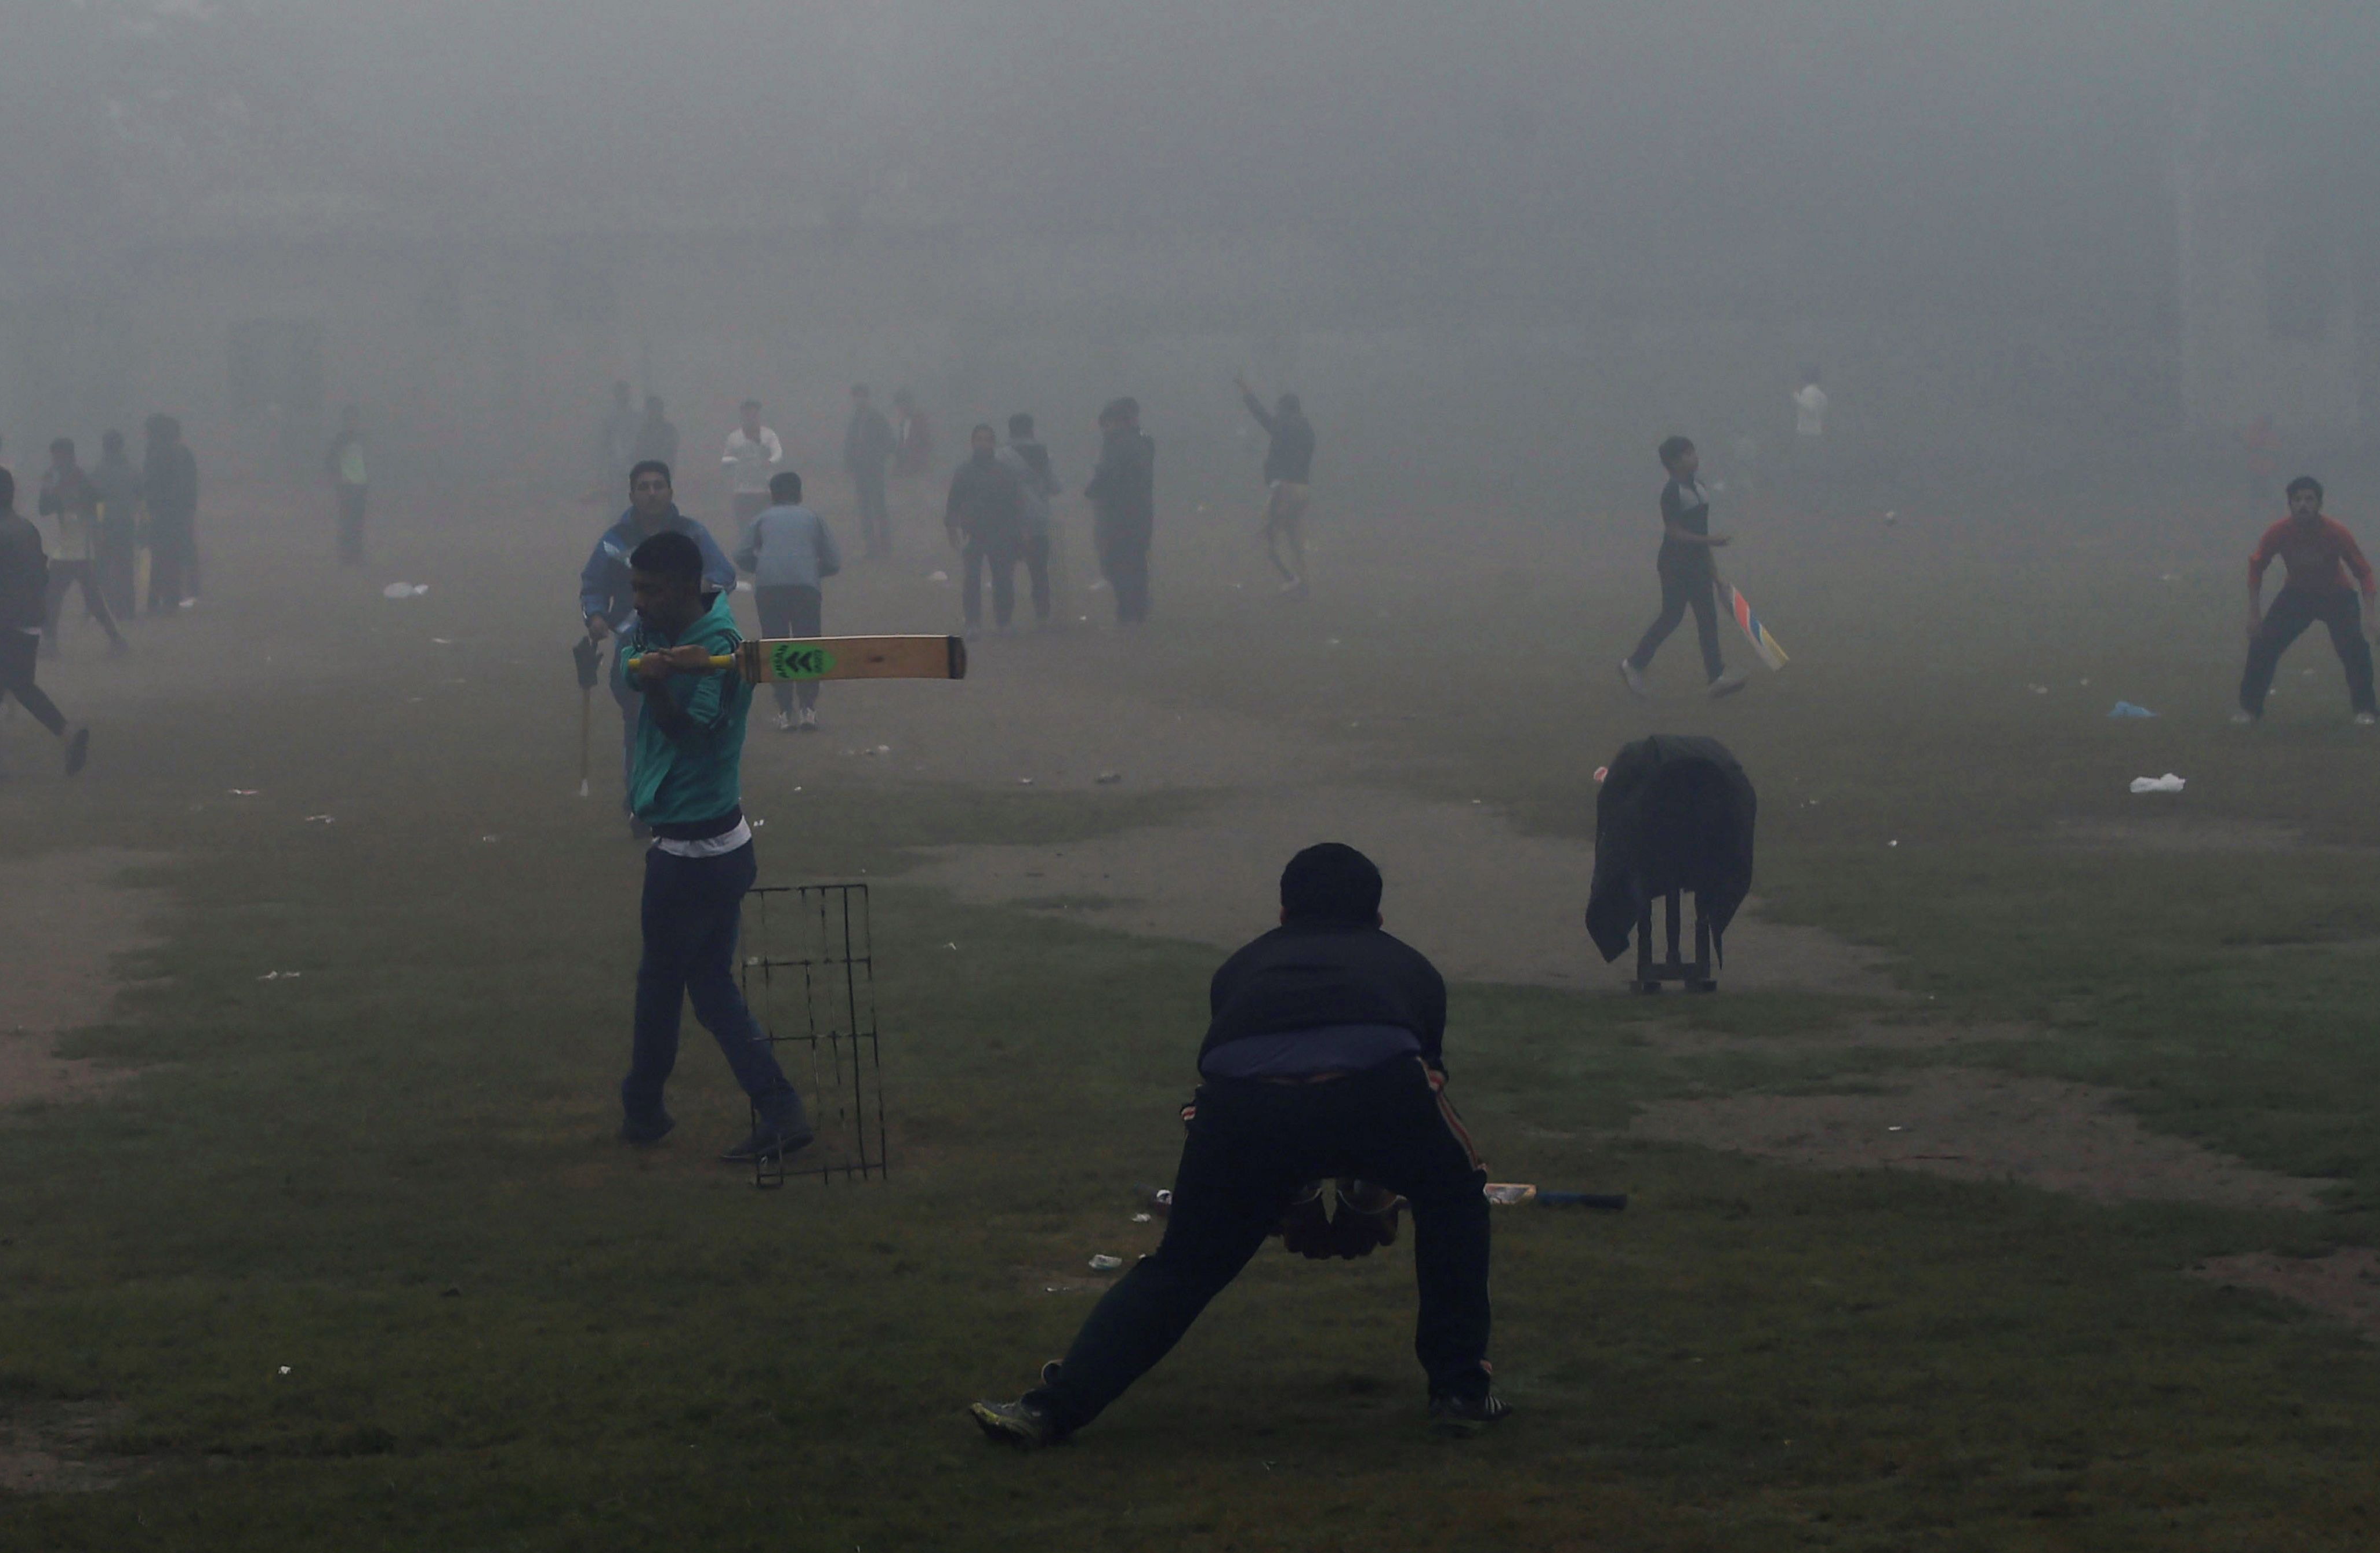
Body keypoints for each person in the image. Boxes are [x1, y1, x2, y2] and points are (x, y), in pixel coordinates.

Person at [968, 843, 1503, 1446]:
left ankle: (1050, 1409)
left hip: (1242, 1112)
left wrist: (1288, 1196)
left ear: (1282, 913)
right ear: (1377, 918)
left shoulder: (1241, 967)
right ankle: (1459, 1390)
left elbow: (1257, 1074)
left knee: (1183, 1266)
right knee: (1456, 1199)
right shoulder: (1411, 967)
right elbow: (1416, 1085)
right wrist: (1368, 1194)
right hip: (1376, 1095)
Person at [616, 528, 814, 1163]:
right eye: (634, 590)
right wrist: (646, 664)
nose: (639, 603)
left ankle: (643, 1110)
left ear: (680, 588)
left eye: (648, 591)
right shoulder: (666, 626)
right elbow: (634, 654)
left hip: (692, 854)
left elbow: (692, 735)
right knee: (708, 985)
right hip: (720, 845)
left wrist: (657, 685)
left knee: (660, 988)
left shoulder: (722, 648)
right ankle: (780, 1109)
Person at [581, 460, 738, 823]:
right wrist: (596, 616)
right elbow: (592, 584)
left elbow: (724, 575)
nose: (652, 493)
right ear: (632, 495)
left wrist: (696, 587)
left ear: (670, 491)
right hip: (632, 641)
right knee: (638, 723)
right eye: (644, 487)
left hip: (687, 641)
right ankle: (640, 799)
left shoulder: (693, 535)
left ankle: (685, 796)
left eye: (658, 486)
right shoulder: (614, 540)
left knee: (686, 721)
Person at [0, 465, 89, 778]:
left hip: (2, 621)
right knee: (22, 685)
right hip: (30, 619)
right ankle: (66, 732)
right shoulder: (26, 528)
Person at [2237, 476, 2379, 726]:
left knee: (2354, 650)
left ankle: (2366, 710)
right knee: (2262, 646)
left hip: (2336, 596)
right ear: (2290, 504)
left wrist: (2370, 615)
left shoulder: (2336, 532)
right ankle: (2249, 710)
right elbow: (2257, 566)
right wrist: (2254, 613)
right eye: (2298, 500)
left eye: (2309, 499)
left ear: (2319, 504)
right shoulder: (2278, 532)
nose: (2303, 505)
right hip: (2297, 596)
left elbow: (2363, 571)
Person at [1620, 436, 1744, 699]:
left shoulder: (1700, 488)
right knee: (1672, 616)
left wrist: (1715, 574)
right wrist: (1711, 541)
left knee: (1707, 617)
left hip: (1696, 563)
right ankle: (1633, 665)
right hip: (1674, 564)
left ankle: (1716, 677)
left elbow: (1700, 533)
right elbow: (1675, 533)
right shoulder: (1672, 492)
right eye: (1689, 454)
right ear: (1675, 462)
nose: (1695, 458)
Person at [735, 469, 841, 732]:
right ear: (800, 494)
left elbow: (741, 553)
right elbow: (833, 561)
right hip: (806, 587)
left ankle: (784, 711)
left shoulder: (762, 518)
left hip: (770, 587)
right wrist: (815, 571)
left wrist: (761, 567)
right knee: (807, 643)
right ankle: (808, 708)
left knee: (776, 644)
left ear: (772, 496)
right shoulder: (813, 518)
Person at [38, 437, 126, 656]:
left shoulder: (82, 478)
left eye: (60, 456)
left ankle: (116, 641)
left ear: (70, 457)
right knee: (53, 598)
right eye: (55, 456)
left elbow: (97, 498)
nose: (57, 461)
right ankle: (51, 644)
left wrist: (71, 495)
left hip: (82, 551)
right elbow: (44, 509)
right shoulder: (54, 478)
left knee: (91, 601)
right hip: (65, 549)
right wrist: (48, 491)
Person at [1236, 378, 1315, 596]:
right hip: (1303, 489)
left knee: (1266, 536)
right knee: (1295, 539)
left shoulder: (1284, 424)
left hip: (1285, 489)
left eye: (1279, 409)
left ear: (1285, 409)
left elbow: (1262, 418)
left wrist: (1247, 393)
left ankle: (1291, 579)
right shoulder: (1307, 429)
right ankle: (1303, 584)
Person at [946, 424, 1028, 637]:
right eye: (979, 439)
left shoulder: (1004, 471)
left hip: (1001, 532)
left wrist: (1019, 532)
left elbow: (1016, 503)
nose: (983, 443)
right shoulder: (964, 471)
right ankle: (973, 623)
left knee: (1003, 580)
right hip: (973, 533)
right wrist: (951, 526)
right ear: (973, 442)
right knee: (972, 580)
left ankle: (1004, 622)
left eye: (987, 439)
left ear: (993, 443)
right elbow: (954, 500)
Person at [1087, 397, 1156, 625]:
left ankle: (1127, 610)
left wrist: (1093, 489)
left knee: (1116, 563)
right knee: (1135, 562)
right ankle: (1137, 610)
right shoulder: (1142, 442)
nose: (1105, 429)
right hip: (1141, 514)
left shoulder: (1118, 445)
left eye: (1108, 424)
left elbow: (1110, 478)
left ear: (1119, 423)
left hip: (1120, 515)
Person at [142, 413, 199, 614]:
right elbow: (191, 487)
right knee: (173, 556)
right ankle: (171, 599)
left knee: (161, 557)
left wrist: (151, 507)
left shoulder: (158, 453)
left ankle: (158, 600)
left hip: (163, 513)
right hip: (178, 513)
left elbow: (150, 485)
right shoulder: (182, 453)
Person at [1006, 412, 1059, 625]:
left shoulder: (1002, 455)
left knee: (1005, 570)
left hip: (1011, 521)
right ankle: (1042, 614)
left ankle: (1005, 618)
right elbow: (1055, 486)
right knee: (1039, 571)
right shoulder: (1043, 453)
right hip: (1038, 520)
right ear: (1031, 429)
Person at [842, 383, 897, 559]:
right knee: (864, 508)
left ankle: (886, 546)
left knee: (879, 507)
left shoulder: (878, 418)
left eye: (863, 395)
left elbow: (890, 442)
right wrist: (849, 463)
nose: (860, 399)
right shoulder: (855, 420)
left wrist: (877, 457)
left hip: (875, 470)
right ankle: (871, 548)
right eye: (857, 396)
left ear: (868, 397)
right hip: (860, 471)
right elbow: (850, 444)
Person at [717, 400, 783, 542]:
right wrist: (734, 463)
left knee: (766, 528)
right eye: (748, 415)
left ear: (759, 416)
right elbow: (725, 459)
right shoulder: (734, 437)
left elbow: (778, 454)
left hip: (765, 491)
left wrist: (770, 462)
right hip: (742, 492)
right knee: (745, 529)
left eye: (754, 415)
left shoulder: (769, 435)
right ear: (742, 416)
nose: (751, 418)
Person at [93, 430, 140, 621]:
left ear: (105, 446)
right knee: (126, 568)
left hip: (106, 525)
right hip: (127, 523)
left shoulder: (99, 471)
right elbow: (139, 496)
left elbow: (92, 500)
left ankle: (108, 609)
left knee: (104, 569)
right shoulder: (132, 470)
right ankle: (128, 610)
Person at [327, 404, 371, 567]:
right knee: (347, 521)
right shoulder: (341, 439)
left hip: (361, 485)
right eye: (350, 418)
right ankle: (345, 556)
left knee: (358, 522)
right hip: (346, 486)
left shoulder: (362, 438)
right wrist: (338, 477)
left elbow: (367, 460)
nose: (353, 421)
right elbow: (330, 461)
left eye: (355, 418)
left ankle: (356, 556)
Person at [595, 380, 638, 507]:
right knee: (617, 495)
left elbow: (638, 440)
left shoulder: (634, 416)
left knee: (632, 493)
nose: (624, 396)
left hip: (632, 461)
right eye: (621, 393)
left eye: (626, 392)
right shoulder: (610, 418)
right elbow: (605, 441)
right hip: (615, 463)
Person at [634, 391, 680, 476]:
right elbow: (638, 451)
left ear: (661, 410)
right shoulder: (643, 430)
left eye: (655, 409)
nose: (652, 412)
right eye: (650, 409)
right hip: (646, 471)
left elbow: (672, 451)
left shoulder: (669, 430)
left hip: (664, 471)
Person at [891, 387, 935, 477]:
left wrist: (917, 461)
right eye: (898, 406)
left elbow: (926, 443)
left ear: (909, 403)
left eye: (901, 404)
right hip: (906, 468)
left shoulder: (920, 419)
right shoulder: (905, 421)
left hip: (918, 469)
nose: (900, 409)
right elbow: (903, 444)